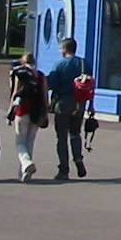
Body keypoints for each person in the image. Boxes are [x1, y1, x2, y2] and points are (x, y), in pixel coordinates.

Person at [45, 37, 89, 181]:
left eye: (60, 48)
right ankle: (78, 159)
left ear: (65, 49)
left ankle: (63, 170)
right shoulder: (84, 63)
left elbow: (52, 84)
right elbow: (89, 85)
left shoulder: (59, 65)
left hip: (63, 102)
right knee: (75, 133)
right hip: (80, 103)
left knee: (62, 137)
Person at [7, 51, 48, 183]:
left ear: (23, 62)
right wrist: (45, 113)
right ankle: (24, 172)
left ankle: (26, 163)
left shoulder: (22, 74)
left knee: (20, 141)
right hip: (37, 110)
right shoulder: (41, 76)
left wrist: (10, 112)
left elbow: (15, 93)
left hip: (22, 109)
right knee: (30, 142)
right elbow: (45, 96)